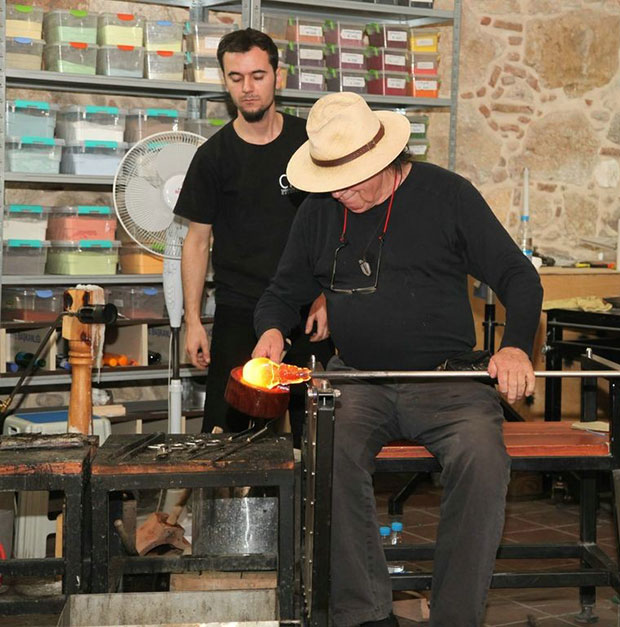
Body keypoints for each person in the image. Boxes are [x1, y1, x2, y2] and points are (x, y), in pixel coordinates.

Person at [253, 92, 543, 627]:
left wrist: (516, 345)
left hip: (448, 380)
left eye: (352, 178)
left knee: (483, 458)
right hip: (359, 379)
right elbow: (280, 293)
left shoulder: (446, 195)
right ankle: (365, 613)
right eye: (331, 181)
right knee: (328, 450)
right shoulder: (320, 210)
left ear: (384, 158)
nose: (341, 193)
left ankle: (455, 615)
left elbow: (519, 277)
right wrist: (270, 332)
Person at [173, 28, 333, 435]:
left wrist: (325, 297)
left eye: (257, 76)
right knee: (224, 438)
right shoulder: (213, 157)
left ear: (277, 76)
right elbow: (196, 240)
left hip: (307, 311)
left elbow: (338, 224)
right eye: (236, 77)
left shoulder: (309, 145)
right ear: (225, 81)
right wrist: (193, 320)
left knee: (317, 435)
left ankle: (304, 502)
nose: (248, 88)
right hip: (240, 310)